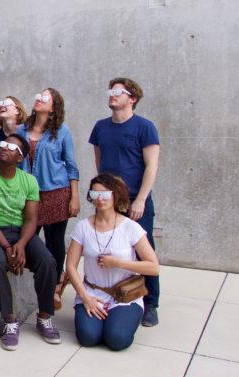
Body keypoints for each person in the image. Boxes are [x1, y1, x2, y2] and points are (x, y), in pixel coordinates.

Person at [0, 133, 60, 350]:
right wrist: (6, 247)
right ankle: (9, 320)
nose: (4, 148)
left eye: (11, 147)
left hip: (21, 232)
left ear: (20, 158)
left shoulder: (29, 180)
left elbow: (31, 219)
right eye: (3, 145)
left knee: (47, 261)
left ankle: (44, 315)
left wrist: (20, 245)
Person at [89, 77, 161, 327]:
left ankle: (151, 302)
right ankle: (114, 293)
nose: (113, 94)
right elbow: (100, 164)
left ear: (132, 98)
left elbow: (152, 165)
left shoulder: (145, 127)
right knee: (107, 245)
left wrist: (140, 199)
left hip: (135, 200)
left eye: (119, 91)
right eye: (111, 90)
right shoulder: (100, 127)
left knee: (143, 247)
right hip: (109, 200)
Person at [66, 173, 159, 350]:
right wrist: (85, 298)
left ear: (115, 194)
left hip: (124, 295)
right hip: (92, 292)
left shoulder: (130, 227)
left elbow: (154, 267)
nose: (100, 199)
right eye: (94, 194)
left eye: (105, 194)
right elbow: (70, 266)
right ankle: (101, 322)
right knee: (88, 338)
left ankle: (121, 320)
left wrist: (117, 263)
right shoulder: (83, 227)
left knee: (117, 340)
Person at [17, 88, 80, 310]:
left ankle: (54, 287)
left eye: (45, 98)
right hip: (28, 194)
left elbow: (71, 165)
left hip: (56, 192)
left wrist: (75, 197)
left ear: (53, 106)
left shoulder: (62, 132)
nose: (39, 99)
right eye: (38, 96)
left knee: (54, 241)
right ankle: (30, 281)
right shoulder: (21, 129)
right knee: (28, 237)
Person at [0, 96, 27, 166]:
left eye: (7, 103)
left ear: (17, 111)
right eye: (1, 103)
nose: (2, 105)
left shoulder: (27, 132)